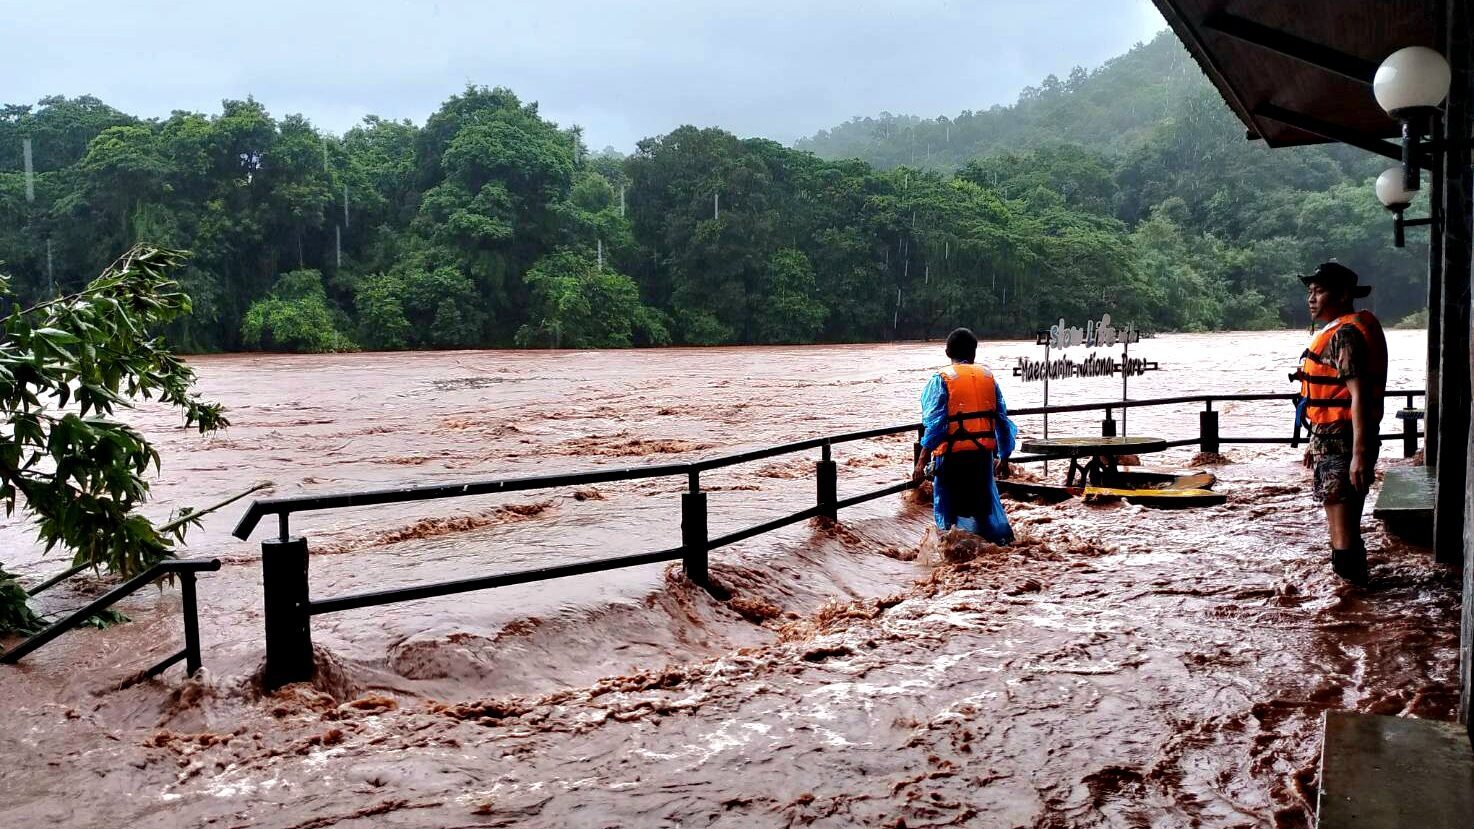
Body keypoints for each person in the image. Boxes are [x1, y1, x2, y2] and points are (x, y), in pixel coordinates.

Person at [1292, 262, 1388, 585]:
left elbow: (1358, 395)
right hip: (1330, 441)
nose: (1311, 298)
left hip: (1343, 444)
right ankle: (1351, 598)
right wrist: (1313, 443)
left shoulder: (1345, 335)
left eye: (1319, 291)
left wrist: (1359, 455)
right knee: (1340, 531)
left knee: (1343, 533)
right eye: (1310, 291)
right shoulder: (1336, 331)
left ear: (1344, 295)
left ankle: (1354, 595)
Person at [910, 328, 1017, 544]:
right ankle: (992, 552)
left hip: (952, 459)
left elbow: (935, 425)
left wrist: (921, 461)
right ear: (974, 352)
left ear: (947, 352)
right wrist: (1004, 456)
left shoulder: (940, 380)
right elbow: (1002, 421)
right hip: (982, 458)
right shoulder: (988, 378)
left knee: (949, 517)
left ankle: (955, 554)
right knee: (982, 510)